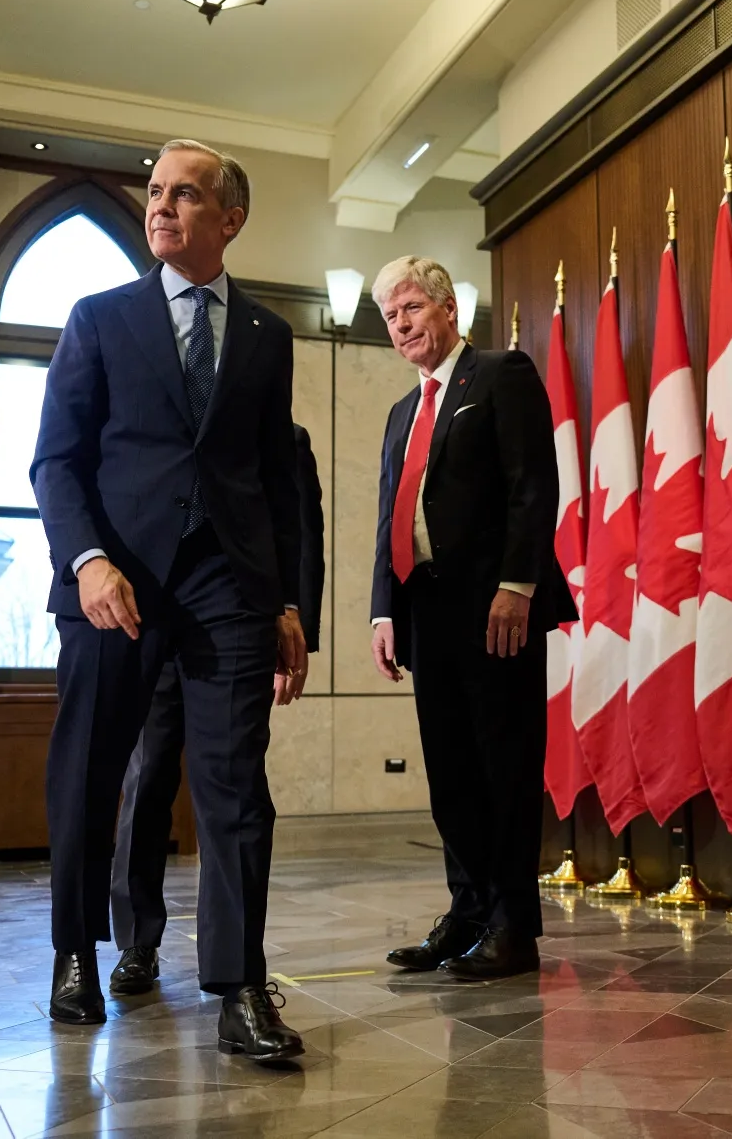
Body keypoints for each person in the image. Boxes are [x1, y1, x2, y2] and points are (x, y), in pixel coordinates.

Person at [31, 138, 307, 1063]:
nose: (162, 207)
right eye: (155, 193)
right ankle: (78, 951)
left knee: (235, 787)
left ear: (228, 219)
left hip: (228, 586)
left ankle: (237, 988)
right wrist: (86, 562)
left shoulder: (268, 337)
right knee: (92, 772)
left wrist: (287, 603)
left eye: (184, 195)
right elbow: (56, 461)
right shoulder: (99, 318)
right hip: (117, 587)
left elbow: (277, 479)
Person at [369, 256, 572, 980]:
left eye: (412, 308)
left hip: (495, 610)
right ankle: (468, 911)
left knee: (504, 767)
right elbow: (390, 517)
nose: (401, 326)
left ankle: (514, 925)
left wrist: (518, 584)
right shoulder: (402, 412)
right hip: (426, 612)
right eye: (390, 317)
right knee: (451, 774)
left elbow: (531, 484)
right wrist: (382, 612)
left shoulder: (500, 374)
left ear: (449, 308)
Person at [109, 425, 325, 997]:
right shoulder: (148, 426)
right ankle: (137, 942)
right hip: (150, 617)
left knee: (235, 785)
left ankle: (235, 976)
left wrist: (295, 624)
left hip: (236, 623)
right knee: (148, 772)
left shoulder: (285, 435)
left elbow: (300, 531)